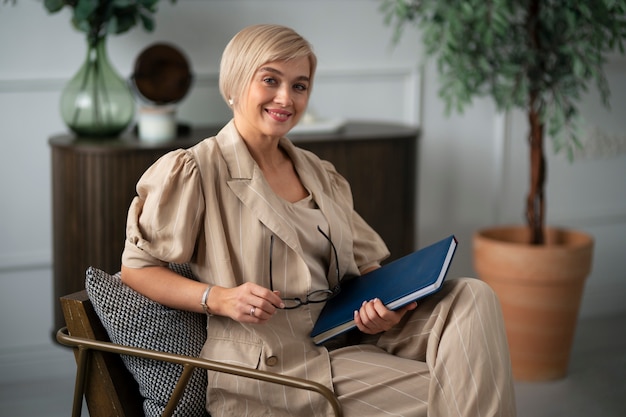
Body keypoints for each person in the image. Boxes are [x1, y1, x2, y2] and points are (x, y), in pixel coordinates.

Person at [121, 24, 517, 417]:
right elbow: (137, 271)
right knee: (450, 392)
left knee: (472, 296)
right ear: (235, 82)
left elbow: (365, 266)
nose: (285, 98)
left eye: (299, 85)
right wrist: (220, 298)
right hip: (275, 365)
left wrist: (383, 309)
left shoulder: (318, 172)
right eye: (270, 80)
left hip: (341, 332)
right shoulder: (194, 169)